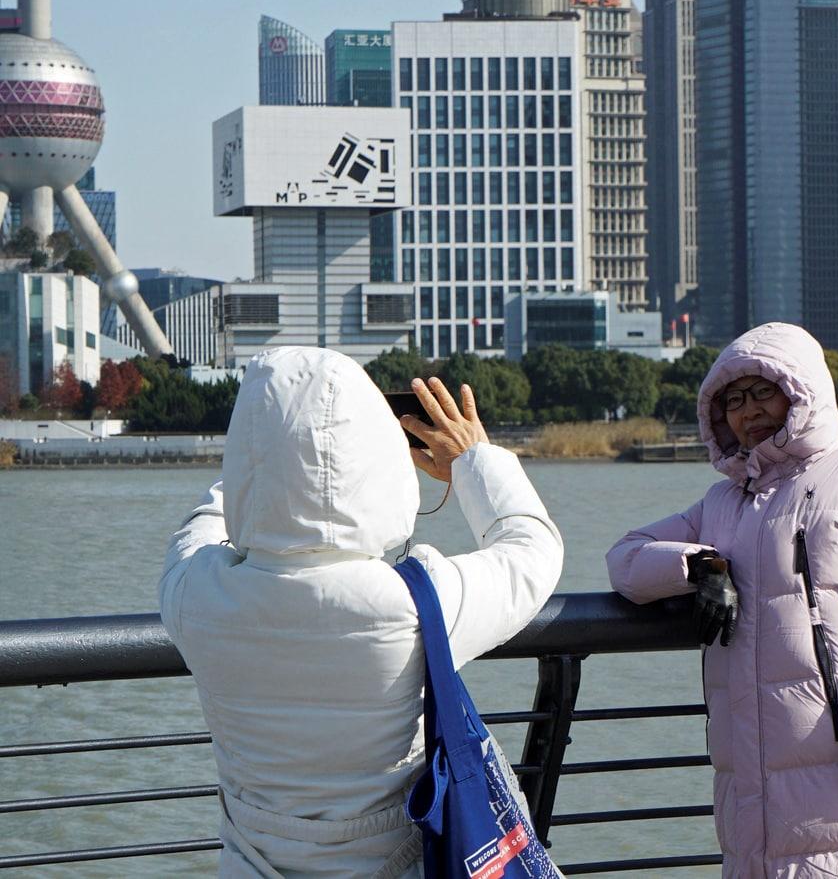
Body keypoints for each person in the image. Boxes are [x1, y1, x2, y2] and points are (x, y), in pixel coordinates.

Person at [159, 347, 563, 877]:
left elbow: (203, 524)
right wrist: (472, 459)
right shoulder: (416, 602)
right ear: (375, 459)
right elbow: (533, 552)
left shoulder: (197, 593)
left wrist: (264, 457)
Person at [608, 323, 838, 878]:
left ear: (803, 391)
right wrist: (701, 566)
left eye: (763, 390)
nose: (748, 411)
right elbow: (625, 558)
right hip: (749, 792)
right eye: (733, 400)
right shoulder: (722, 503)